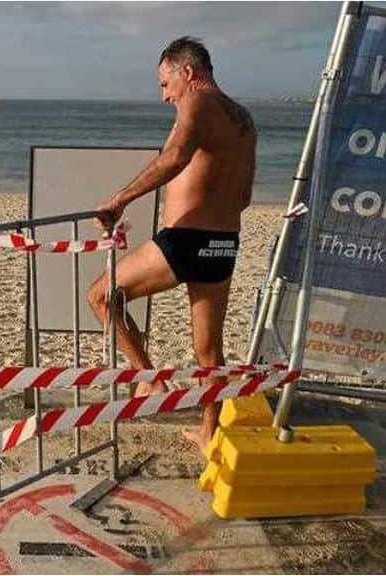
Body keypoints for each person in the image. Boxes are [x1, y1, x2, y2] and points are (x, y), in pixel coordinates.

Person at [88, 37, 256, 453]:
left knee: (102, 296)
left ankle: (150, 382)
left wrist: (119, 199)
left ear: (188, 72)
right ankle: (208, 432)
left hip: (185, 240)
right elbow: (245, 195)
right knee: (209, 351)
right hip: (224, 242)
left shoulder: (198, 102)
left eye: (165, 84)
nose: (165, 96)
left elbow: (174, 157)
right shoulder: (244, 119)